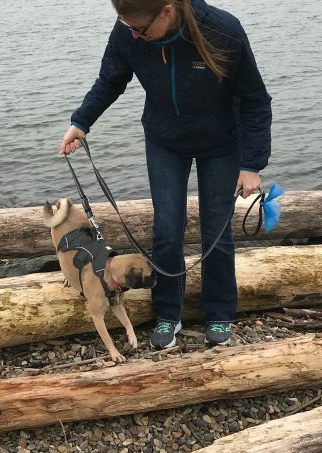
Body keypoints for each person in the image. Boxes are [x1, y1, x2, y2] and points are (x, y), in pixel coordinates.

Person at [60, 0, 272, 349]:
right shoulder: (129, 29)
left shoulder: (222, 31)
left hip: (222, 141)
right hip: (165, 140)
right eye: (127, 27)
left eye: (140, 30)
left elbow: (255, 99)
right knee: (166, 231)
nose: (133, 35)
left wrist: (252, 165)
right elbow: (111, 79)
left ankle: (219, 313)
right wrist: (81, 122)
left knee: (216, 231)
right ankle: (168, 313)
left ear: (168, 11)